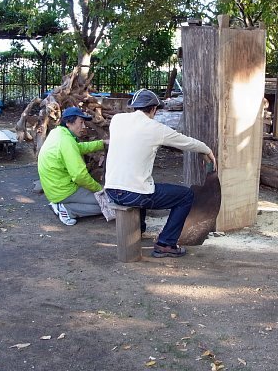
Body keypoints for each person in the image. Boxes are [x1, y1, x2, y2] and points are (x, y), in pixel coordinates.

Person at [105, 89, 216, 258]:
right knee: (185, 196)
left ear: (134, 107)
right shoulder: (156, 128)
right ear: (154, 109)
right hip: (133, 194)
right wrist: (206, 150)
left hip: (111, 191)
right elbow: (185, 142)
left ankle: (139, 230)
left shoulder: (117, 120)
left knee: (141, 183)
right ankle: (166, 243)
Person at [37, 106, 104, 226]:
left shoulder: (58, 133)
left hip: (54, 188)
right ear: (68, 123)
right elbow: (80, 176)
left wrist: (102, 144)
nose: (83, 127)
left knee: (100, 200)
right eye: (81, 122)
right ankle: (68, 210)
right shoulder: (66, 141)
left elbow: (78, 148)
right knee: (107, 204)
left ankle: (60, 205)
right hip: (64, 190)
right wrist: (100, 189)